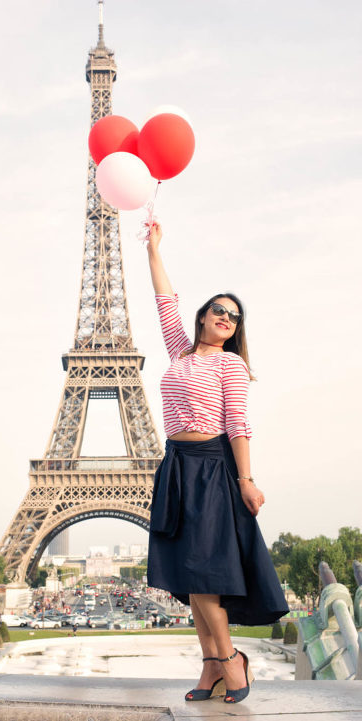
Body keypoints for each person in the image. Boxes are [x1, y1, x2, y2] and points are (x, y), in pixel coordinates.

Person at [146, 222, 288, 704]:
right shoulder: (179, 352)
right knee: (187, 579)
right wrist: (153, 250)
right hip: (176, 467)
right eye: (219, 310)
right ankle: (210, 667)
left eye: (234, 316)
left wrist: (246, 479)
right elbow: (165, 302)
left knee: (203, 572)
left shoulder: (231, 365)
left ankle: (230, 660)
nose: (226, 317)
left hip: (210, 467)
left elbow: (238, 423)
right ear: (202, 317)